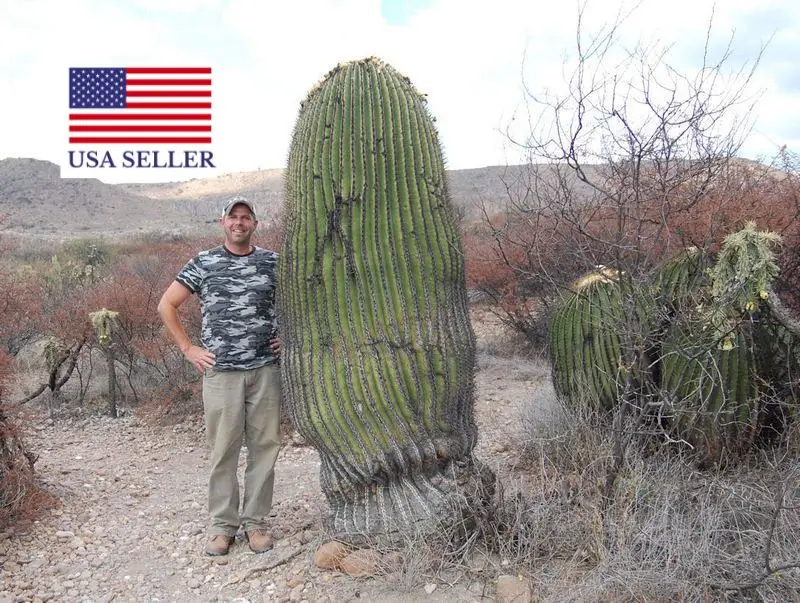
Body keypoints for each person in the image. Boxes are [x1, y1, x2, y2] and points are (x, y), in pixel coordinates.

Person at [157, 196, 281, 556]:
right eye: (233, 217)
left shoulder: (272, 262)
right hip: (222, 372)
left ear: (255, 224)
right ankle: (223, 525)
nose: (239, 222)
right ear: (222, 222)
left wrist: (285, 333)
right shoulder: (204, 263)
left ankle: (256, 522)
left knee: (265, 448)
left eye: (246, 217)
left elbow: (300, 301)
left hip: (264, 369)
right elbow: (167, 305)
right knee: (224, 450)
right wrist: (187, 348)